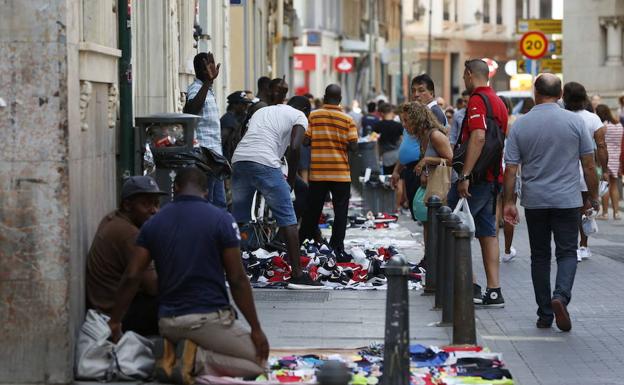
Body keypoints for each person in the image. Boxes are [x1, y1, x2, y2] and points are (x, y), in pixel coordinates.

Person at [107, 168, 269, 383]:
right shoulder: (221, 219)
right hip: (209, 320)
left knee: (226, 347)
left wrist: (115, 320)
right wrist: (256, 328)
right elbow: (237, 279)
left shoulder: (154, 223)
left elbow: (132, 275)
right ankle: (194, 360)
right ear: (206, 192)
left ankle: (175, 350)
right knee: (260, 363)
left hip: (168, 322)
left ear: (176, 189)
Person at [503, 73, 599, 332]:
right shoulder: (575, 122)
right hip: (567, 199)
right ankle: (561, 296)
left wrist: (508, 202)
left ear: (535, 93)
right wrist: (593, 196)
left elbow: (511, 169)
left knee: (540, 256)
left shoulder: (521, 125)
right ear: (560, 95)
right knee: (567, 252)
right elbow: (589, 165)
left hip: (535, 201)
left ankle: (545, 313)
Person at [232, 85, 320, 288]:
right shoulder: (300, 116)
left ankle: (234, 269)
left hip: (240, 159)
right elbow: (296, 147)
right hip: (264, 161)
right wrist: (289, 182)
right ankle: (297, 273)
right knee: (288, 217)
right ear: (306, 111)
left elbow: (242, 133)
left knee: (239, 218)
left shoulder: (263, 110)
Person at [448, 59, 508, 308]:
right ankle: (494, 291)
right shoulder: (500, 103)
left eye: (464, 75)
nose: (463, 80)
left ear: (471, 74)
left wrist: (465, 176)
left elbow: (479, 137)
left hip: (477, 180)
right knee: (487, 233)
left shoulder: (477, 100)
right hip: (493, 177)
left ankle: (470, 286)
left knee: (453, 228)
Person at [86, 176, 165, 336]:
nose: (154, 210)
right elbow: (153, 287)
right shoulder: (129, 234)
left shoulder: (113, 218)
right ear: (128, 205)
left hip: (110, 307)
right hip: (115, 314)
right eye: (146, 204)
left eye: (156, 204)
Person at [299, 85, 358, 254]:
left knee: (313, 210)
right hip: (340, 174)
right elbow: (354, 147)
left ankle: (302, 241)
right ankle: (336, 246)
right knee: (340, 212)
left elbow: (305, 141)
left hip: (318, 173)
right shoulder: (348, 120)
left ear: (325, 97)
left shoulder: (313, 116)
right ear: (339, 99)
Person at [391, 75, 447, 226]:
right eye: (413, 90)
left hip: (426, 172)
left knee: (429, 218)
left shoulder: (433, 114)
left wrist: (425, 170)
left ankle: (432, 249)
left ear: (432, 93)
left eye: (421, 90)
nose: (416, 94)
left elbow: (443, 154)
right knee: (422, 218)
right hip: (414, 169)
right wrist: (397, 170)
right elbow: (408, 146)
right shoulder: (415, 114)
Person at [563, 82, 608, 261]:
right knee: (584, 209)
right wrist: (604, 170)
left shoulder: (561, 117)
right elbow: (601, 146)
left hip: (564, 171)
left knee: (569, 211)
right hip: (586, 170)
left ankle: (571, 247)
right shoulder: (593, 119)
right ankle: (583, 246)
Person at [403, 102, 453, 246]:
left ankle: (435, 262)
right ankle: (428, 259)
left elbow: (452, 161)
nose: (404, 125)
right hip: (430, 187)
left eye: (406, 120)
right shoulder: (422, 137)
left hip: (442, 189)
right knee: (428, 225)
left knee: (436, 228)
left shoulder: (435, 136)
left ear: (416, 119)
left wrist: (427, 160)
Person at [183, 52, 227, 208]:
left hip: (216, 157)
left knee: (220, 203)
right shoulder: (196, 88)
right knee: (207, 202)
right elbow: (190, 111)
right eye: (209, 66)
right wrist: (208, 82)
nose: (214, 69)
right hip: (204, 157)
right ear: (201, 71)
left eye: (213, 64)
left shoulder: (208, 89)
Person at [496, 95, 518, 262]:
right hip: (512, 171)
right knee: (509, 211)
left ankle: (493, 248)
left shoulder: (492, 125)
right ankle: (507, 250)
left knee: (495, 212)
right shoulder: (514, 126)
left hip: (495, 170)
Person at [595, 104, 623, 220]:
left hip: (605, 157)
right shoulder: (619, 125)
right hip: (616, 157)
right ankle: (616, 213)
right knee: (614, 185)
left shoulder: (603, 126)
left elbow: (601, 144)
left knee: (605, 184)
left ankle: (605, 213)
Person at [221, 91, 253, 162]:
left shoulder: (234, 119)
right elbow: (222, 142)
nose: (246, 107)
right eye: (244, 104)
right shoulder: (228, 120)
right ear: (234, 105)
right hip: (226, 163)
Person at [373, 102, 404, 175]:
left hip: (386, 156)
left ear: (382, 113)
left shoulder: (377, 125)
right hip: (398, 155)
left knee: (388, 178)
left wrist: (377, 156)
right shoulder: (399, 125)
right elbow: (403, 140)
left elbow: (375, 141)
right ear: (391, 112)